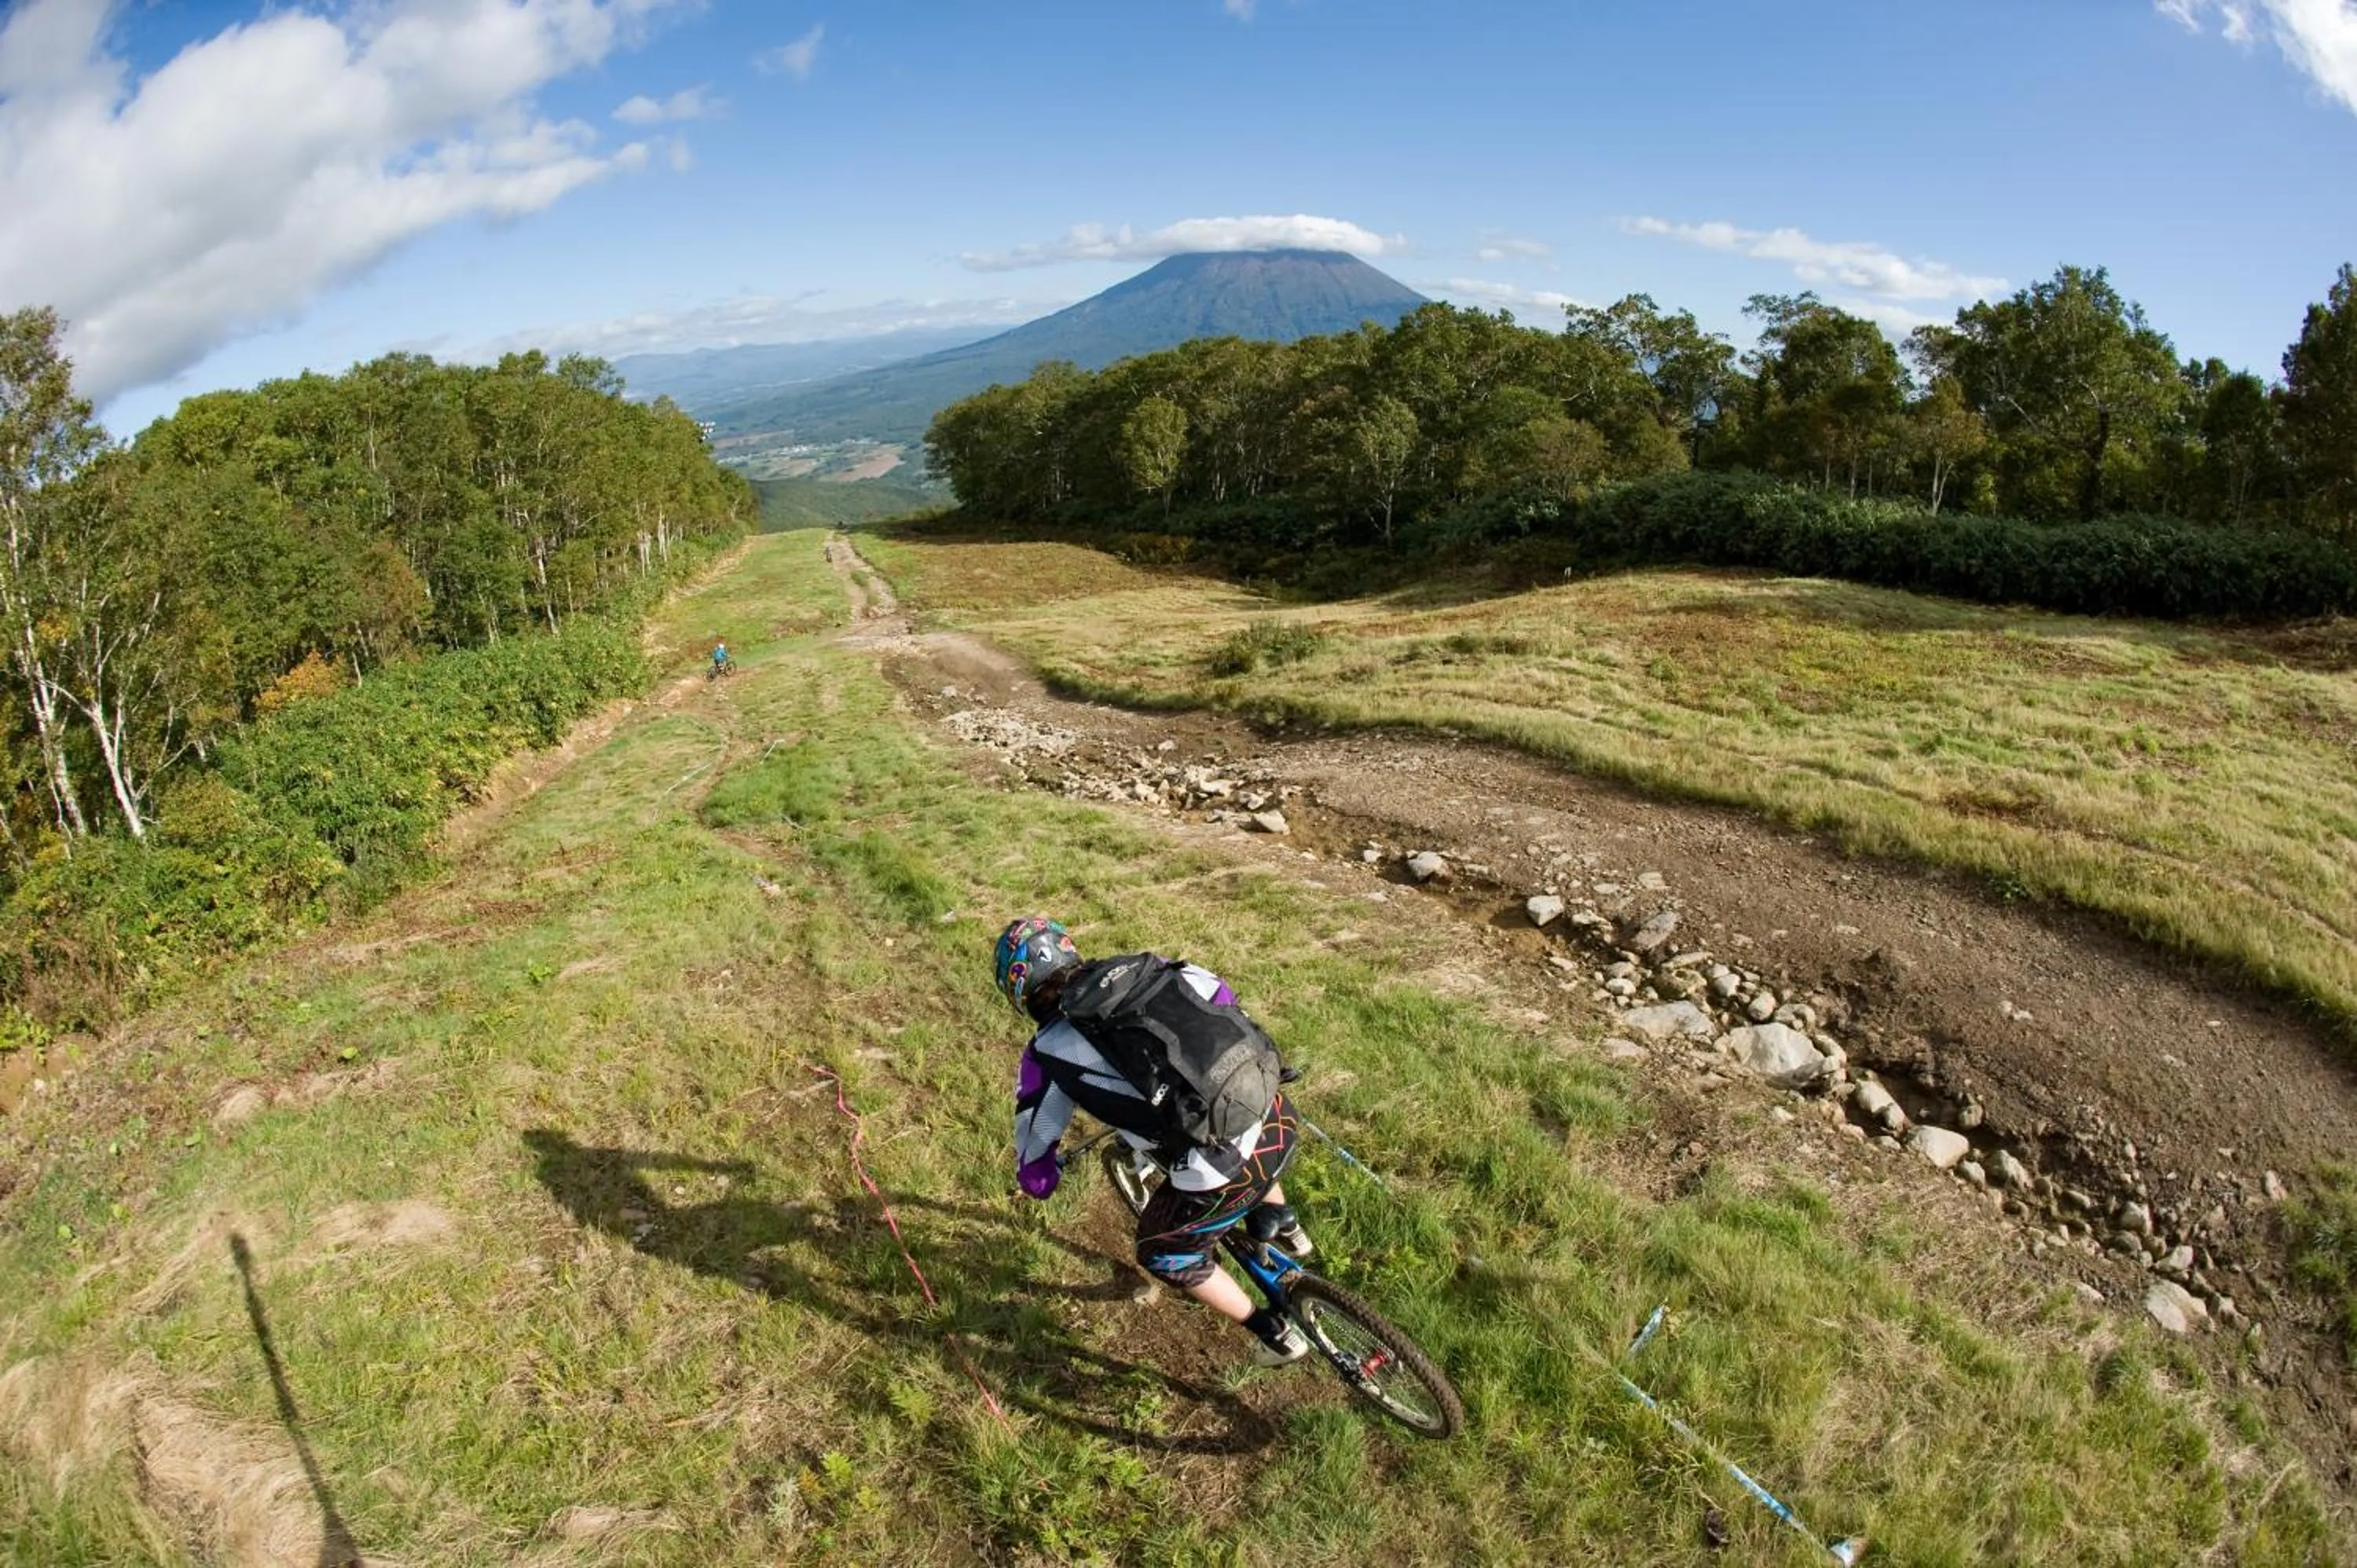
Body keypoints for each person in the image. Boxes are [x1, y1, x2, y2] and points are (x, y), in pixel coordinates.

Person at [996, 915, 1316, 1366]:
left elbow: (1036, 1150)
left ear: (1020, 993)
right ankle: (1285, 1224)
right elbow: (1222, 998)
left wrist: (1039, 1179)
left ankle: (1274, 1333)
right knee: (1233, 1120)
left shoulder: (1046, 1051)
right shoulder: (1145, 967)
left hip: (1220, 1170)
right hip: (1273, 1107)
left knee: (1162, 1252)